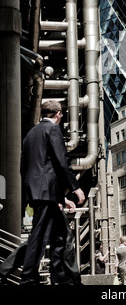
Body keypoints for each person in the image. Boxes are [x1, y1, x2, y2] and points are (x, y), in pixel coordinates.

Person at [19, 100, 85, 286]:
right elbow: (61, 160)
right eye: (61, 114)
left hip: (39, 190)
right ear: (58, 114)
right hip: (46, 191)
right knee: (39, 235)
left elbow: (25, 167)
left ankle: (60, 277)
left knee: (61, 234)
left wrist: (60, 197)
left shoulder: (30, 134)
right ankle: (28, 278)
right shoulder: (53, 130)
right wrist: (75, 187)